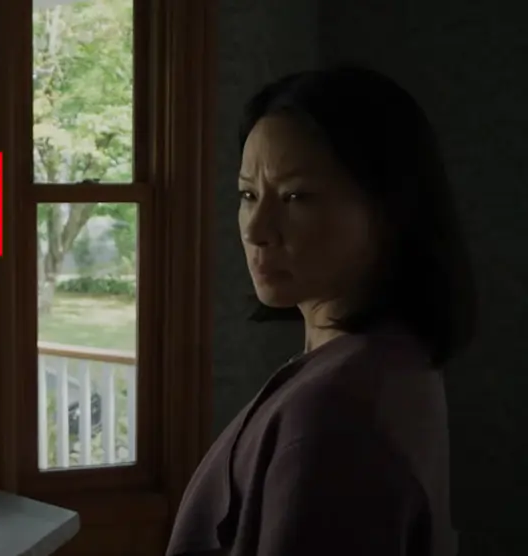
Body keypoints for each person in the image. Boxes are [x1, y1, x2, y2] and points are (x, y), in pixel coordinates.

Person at [167, 66, 475, 556]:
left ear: (389, 209)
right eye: (248, 195)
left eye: (296, 197)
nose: (256, 229)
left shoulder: (335, 413)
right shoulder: (386, 359)